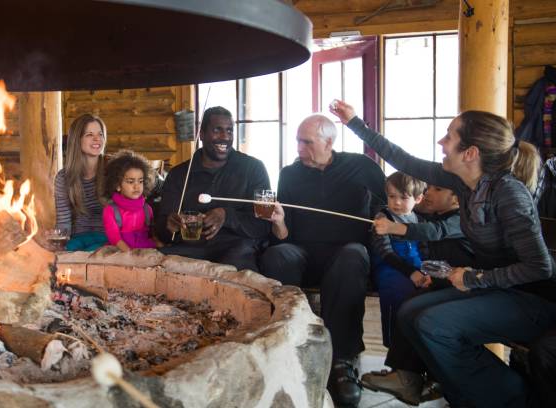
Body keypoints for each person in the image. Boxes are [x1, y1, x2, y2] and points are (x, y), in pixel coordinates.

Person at [331, 100, 556, 407]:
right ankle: (469, 393)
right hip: (501, 290)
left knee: (434, 325)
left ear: (470, 153)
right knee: (410, 312)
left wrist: (474, 277)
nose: (441, 142)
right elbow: (403, 160)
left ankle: (515, 398)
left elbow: (538, 268)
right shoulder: (463, 181)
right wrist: (355, 123)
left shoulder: (509, 193)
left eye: (449, 137)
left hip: (535, 299)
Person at [259, 114, 386, 408]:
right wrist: (278, 222)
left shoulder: (362, 167)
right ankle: (287, 347)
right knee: (277, 255)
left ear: (329, 142)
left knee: (353, 255)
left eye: (307, 142)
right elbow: (283, 234)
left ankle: (343, 359)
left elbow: (386, 208)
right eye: (298, 141)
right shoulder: (289, 174)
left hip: (345, 253)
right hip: (302, 252)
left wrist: (383, 219)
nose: (299, 148)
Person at [362, 184, 474, 406]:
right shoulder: (432, 215)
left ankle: (428, 377)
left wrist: (395, 228)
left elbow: (433, 233)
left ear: (457, 199)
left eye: (438, 189)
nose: (429, 193)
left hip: (470, 286)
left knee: (417, 307)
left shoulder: (461, 220)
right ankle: (409, 377)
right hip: (447, 281)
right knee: (411, 304)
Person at [155, 106, 271, 271]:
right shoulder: (178, 174)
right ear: (201, 134)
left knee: (235, 266)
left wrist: (226, 215)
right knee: (157, 263)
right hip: (190, 249)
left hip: (237, 249)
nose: (225, 137)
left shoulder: (256, 168)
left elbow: (265, 224)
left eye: (229, 131)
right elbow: (162, 229)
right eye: (217, 130)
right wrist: (169, 225)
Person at [370, 172, 427, 349]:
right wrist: (411, 273)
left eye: (403, 197)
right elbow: (385, 252)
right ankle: (394, 346)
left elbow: (425, 250)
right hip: (389, 267)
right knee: (397, 290)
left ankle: (419, 348)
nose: (396, 202)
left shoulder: (420, 220)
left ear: (418, 199)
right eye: (392, 196)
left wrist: (424, 271)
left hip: (417, 267)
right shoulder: (382, 218)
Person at [54, 114, 108, 251]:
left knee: (95, 253)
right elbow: (63, 221)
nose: (97, 138)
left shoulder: (113, 169)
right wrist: (59, 243)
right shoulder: (63, 177)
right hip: (77, 238)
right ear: (77, 140)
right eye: (89, 134)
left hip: (109, 237)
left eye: (100, 134)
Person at [101, 150, 157, 251]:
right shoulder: (110, 211)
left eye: (140, 181)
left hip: (145, 252)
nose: (136, 186)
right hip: (121, 253)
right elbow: (115, 239)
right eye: (130, 181)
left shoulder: (147, 209)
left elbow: (152, 236)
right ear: (117, 185)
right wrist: (131, 255)